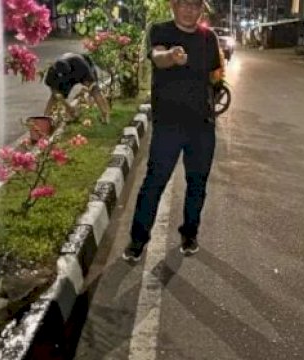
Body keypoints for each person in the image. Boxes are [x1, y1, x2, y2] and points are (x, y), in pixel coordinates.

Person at [122, 0, 221, 261]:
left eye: (195, 5)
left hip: (202, 126)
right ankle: (138, 239)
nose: (190, 10)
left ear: (201, 8)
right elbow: (158, 57)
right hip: (168, 126)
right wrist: (172, 56)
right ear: (173, 6)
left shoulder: (209, 38)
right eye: (184, 4)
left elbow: (213, 74)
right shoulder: (161, 30)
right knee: (154, 183)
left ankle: (190, 232)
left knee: (197, 183)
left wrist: (215, 96)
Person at [43, 52, 110, 123]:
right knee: (54, 97)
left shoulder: (81, 66)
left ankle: (105, 115)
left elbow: (92, 86)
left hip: (79, 68)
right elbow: (55, 92)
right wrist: (67, 106)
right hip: (65, 75)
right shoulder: (52, 70)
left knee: (94, 90)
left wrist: (88, 94)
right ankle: (44, 121)